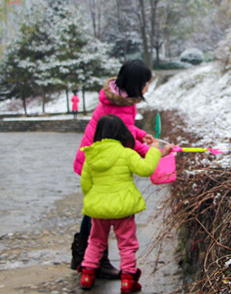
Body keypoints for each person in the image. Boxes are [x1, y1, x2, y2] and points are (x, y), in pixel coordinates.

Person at [71, 60, 172, 279]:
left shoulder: (119, 98)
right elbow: (125, 139)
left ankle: (85, 258)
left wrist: (139, 134)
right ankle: (95, 261)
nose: (147, 87)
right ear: (136, 84)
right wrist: (152, 150)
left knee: (95, 207)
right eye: (145, 83)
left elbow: (124, 129)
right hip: (99, 159)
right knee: (97, 210)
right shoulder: (119, 104)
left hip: (94, 156)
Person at [79, 114, 161, 293]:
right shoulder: (126, 153)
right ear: (122, 133)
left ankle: (87, 275)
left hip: (99, 208)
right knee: (126, 244)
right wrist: (154, 150)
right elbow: (146, 169)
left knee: (96, 241)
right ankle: (127, 280)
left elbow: (86, 184)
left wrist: (96, 199)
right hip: (123, 208)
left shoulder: (90, 155)